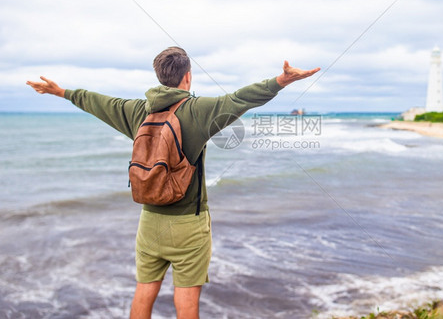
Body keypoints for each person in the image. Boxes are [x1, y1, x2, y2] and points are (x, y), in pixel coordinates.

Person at [26, 46, 320, 319]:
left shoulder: (137, 111)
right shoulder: (198, 110)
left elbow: (97, 102)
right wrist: (281, 80)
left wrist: (60, 92)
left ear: (159, 76)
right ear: (187, 77)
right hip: (188, 225)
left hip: (149, 222)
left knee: (144, 291)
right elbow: (240, 99)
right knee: (187, 299)